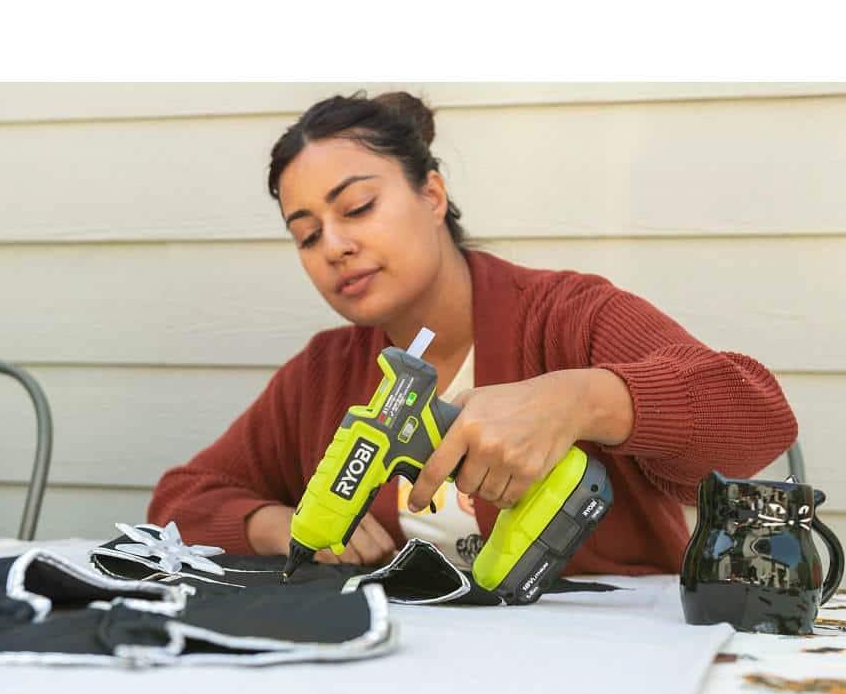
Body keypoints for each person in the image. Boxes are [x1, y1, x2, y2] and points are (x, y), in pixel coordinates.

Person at [148, 90, 798, 576]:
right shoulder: (323, 373)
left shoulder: (566, 316)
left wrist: (582, 402)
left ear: (432, 195)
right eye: (308, 235)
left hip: (605, 670)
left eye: (358, 208)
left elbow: (758, 419)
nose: (336, 246)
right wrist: (275, 524)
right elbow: (180, 501)